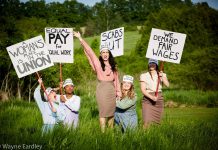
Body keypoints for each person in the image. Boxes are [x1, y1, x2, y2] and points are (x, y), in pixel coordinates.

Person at [73, 31, 121, 132]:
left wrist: (118, 93)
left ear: (109, 54)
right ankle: (103, 133)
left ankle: (111, 132)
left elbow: (116, 81)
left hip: (112, 90)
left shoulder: (114, 66)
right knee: (103, 112)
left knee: (112, 112)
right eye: (103, 52)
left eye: (107, 52)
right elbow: (89, 51)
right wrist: (80, 38)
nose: (105, 54)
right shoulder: (98, 63)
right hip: (102, 90)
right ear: (100, 54)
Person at [140, 58, 169, 129]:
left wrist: (162, 77)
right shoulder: (144, 75)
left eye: (153, 63)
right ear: (148, 64)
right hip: (148, 98)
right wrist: (151, 97)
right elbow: (143, 90)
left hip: (159, 99)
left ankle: (154, 137)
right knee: (146, 121)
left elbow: (167, 85)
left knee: (157, 122)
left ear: (156, 64)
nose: (152, 65)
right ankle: (144, 137)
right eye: (150, 63)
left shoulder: (162, 74)